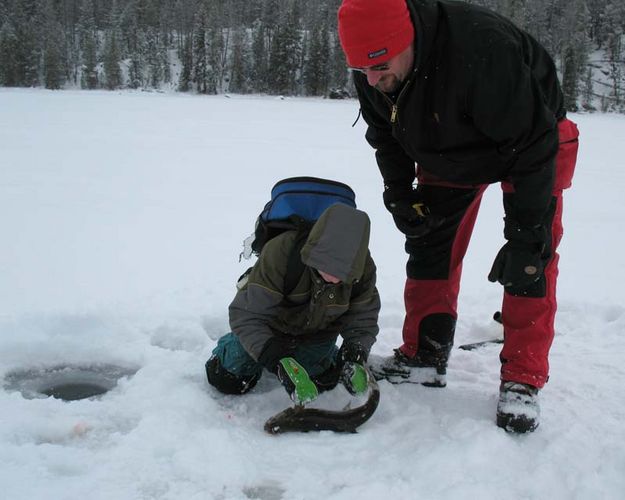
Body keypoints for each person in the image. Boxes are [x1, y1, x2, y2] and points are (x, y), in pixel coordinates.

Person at [337, 0, 579, 433]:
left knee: (530, 261)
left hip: (533, 144)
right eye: (363, 71)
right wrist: (399, 192)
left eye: (380, 66)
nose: (373, 79)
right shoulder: (373, 68)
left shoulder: (482, 50)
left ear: (407, 40)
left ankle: (523, 379)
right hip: (447, 143)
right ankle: (425, 355)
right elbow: (386, 135)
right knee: (430, 244)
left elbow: (535, 143)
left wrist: (527, 236)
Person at [205, 203, 381, 405]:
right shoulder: (281, 253)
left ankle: (323, 358)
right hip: (271, 329)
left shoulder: (362, 268)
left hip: (317, 334)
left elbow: (363, 317)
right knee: (227, 379)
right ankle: (235, 349)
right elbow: (247, 315)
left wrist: (355, 353)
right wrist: (275, 358)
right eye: (326, 266)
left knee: (323, 382)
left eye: (342, 273)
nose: (333, 278)